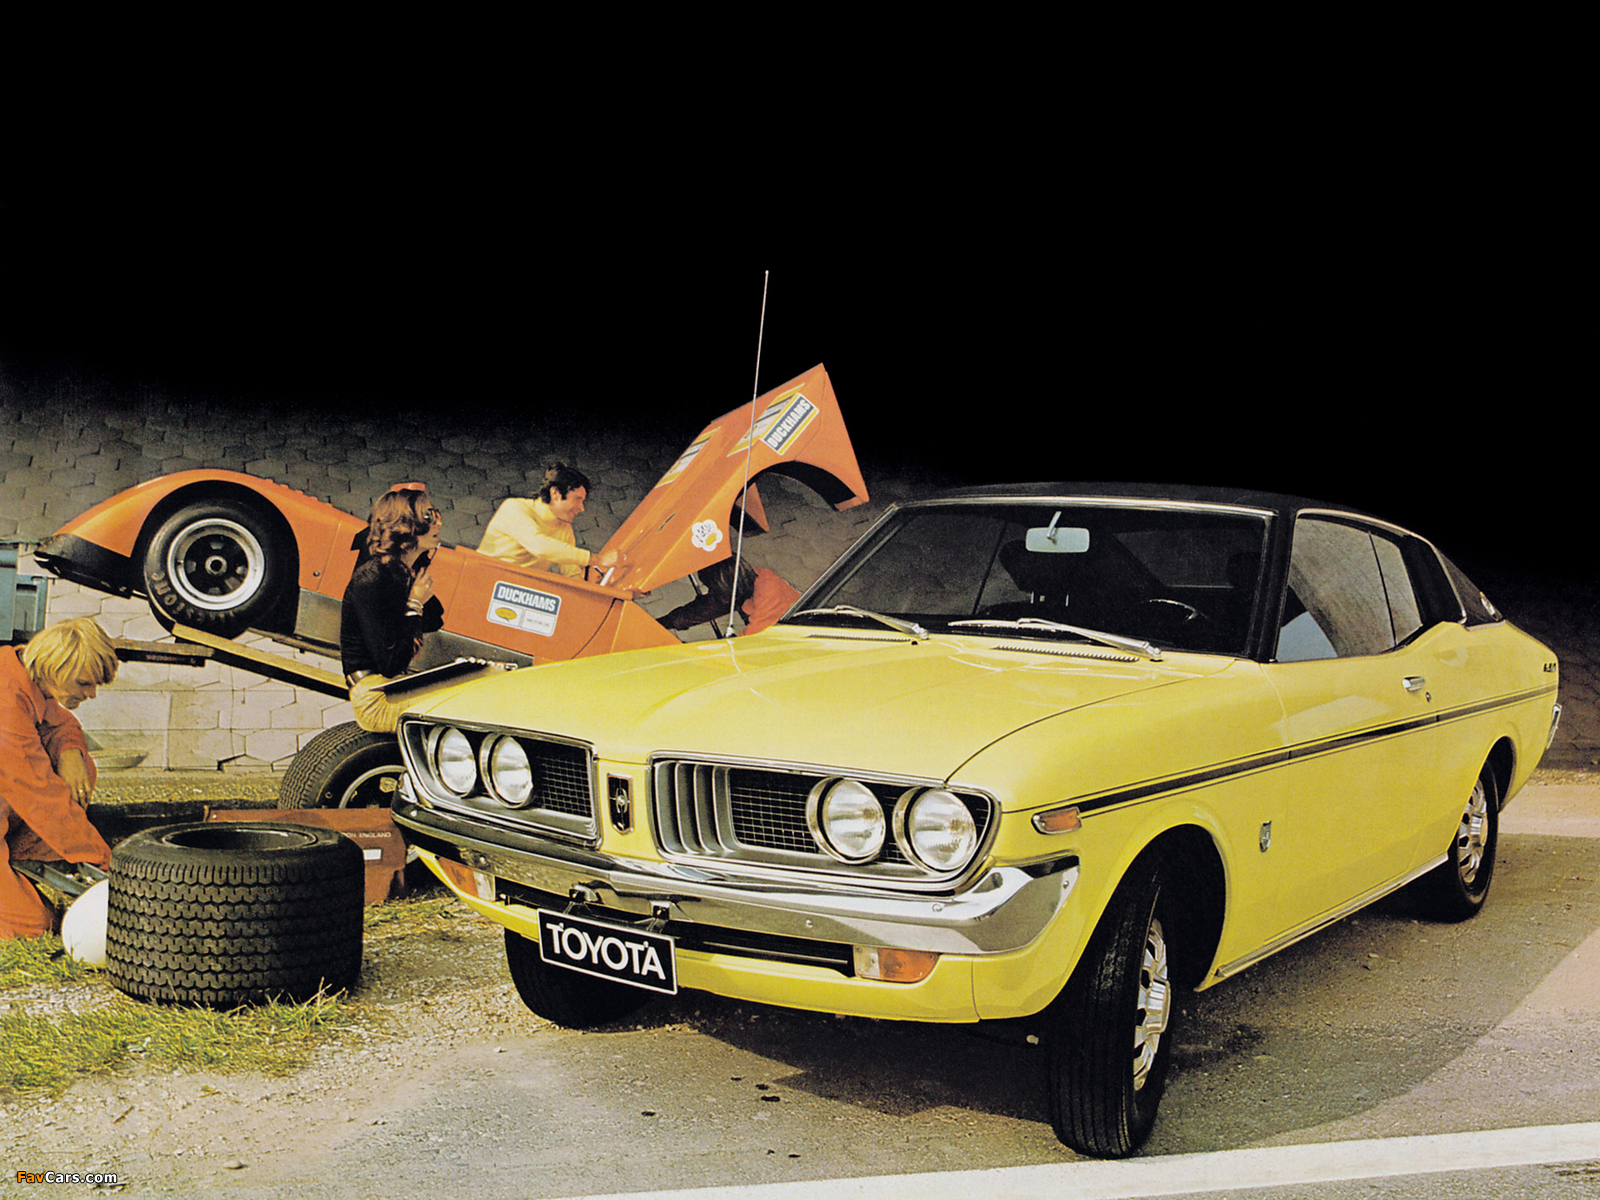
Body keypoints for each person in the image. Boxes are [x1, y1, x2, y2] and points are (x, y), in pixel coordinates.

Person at [1, 617, 119, 939]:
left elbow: (63, 723)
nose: (92, 694)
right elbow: (41, 797)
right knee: (35, 926)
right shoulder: (5, 699)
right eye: (84, 683)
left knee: (78, 762)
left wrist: (70, 752)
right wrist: (110, 867)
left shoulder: (24, 672)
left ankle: (22, 860)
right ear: (56, 668)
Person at [341, 484, 447, 733]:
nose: (438, 523)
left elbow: (435, 619)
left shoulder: (400, 571)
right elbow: (390, 664)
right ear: (406, 527)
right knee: (460, 709)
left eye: (435, 514)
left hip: (392, 687)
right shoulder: (372, 578)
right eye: (428, 517)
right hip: (375, 698)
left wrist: (418, 569)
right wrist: (414, 603)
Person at [478, 463, 628, 582]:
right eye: (578, 499)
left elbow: (572, 576)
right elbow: (540, 546)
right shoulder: (514, 508)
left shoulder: (564, 529)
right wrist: (598, 559)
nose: (582, 508)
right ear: (555, 493)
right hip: (478, 579)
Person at [659, 557, 801, 637]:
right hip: (748, 601)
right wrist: (665, 623)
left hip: (791, 633)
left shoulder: (769, 598)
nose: (712, 593)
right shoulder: (741, 579)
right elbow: (706, 607)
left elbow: (746, 644)